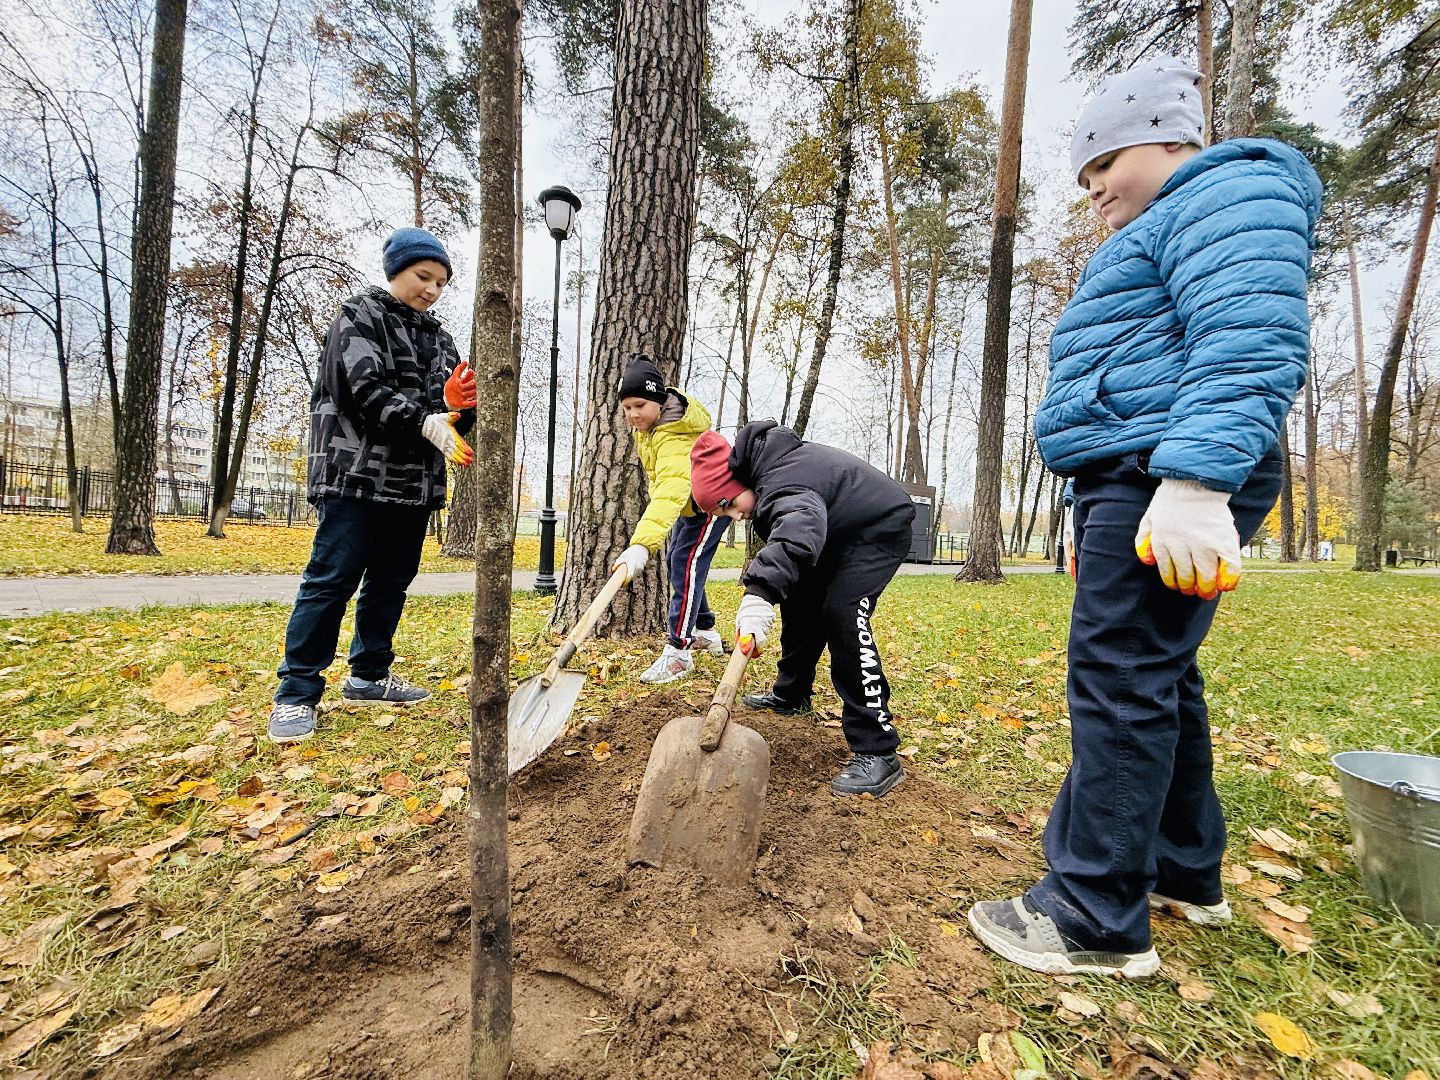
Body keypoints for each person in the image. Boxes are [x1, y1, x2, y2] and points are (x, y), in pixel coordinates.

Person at [967, 59, 1322, 977]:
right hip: (1134, 472)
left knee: (1120, 672)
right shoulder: (1172, 216)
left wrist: (1197, 482)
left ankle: (1091, 914)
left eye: (1103, 165)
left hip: (1166, 463)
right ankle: (1181, 868)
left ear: (1167, 140)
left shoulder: (1228, 192)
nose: (1092, 192)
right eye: (1084, 178)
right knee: (1161, 669)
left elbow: (1249, 335)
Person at [267, 227, 477, 743]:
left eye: (441, 282)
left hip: (411, 484)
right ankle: (296, 693)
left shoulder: (440, 338)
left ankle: (368, 675)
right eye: (422, 276)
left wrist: (457, 408)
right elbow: (364, 390)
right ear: (396, 271)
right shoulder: (359, 316)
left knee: (390, 583)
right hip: (354, 474)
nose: (431, 289)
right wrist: (425, 419)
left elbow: (449, 421)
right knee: (331, 580)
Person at [689, 421, 916, 797]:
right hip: (837, 531)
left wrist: (759, 591)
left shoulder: (784, 481)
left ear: (736, 485)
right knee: (799, 601)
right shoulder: (767, 476)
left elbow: (799, 527)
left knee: (843, 612)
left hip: (877, 529)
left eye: (727, 505)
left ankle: (878, 750)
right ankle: (791, 694)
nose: (733, 516)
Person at [610, 355, 727, 684]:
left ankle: (678, 653)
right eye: (627, 407)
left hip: (711, 506)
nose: (633, 414)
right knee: (681, 559)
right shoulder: (652, 429)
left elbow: (670, 491)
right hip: (691, 506)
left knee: (684, 564)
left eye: (640, 405)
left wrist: (642, 544)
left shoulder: (673, 435)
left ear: (659, 400)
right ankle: (705, 631)